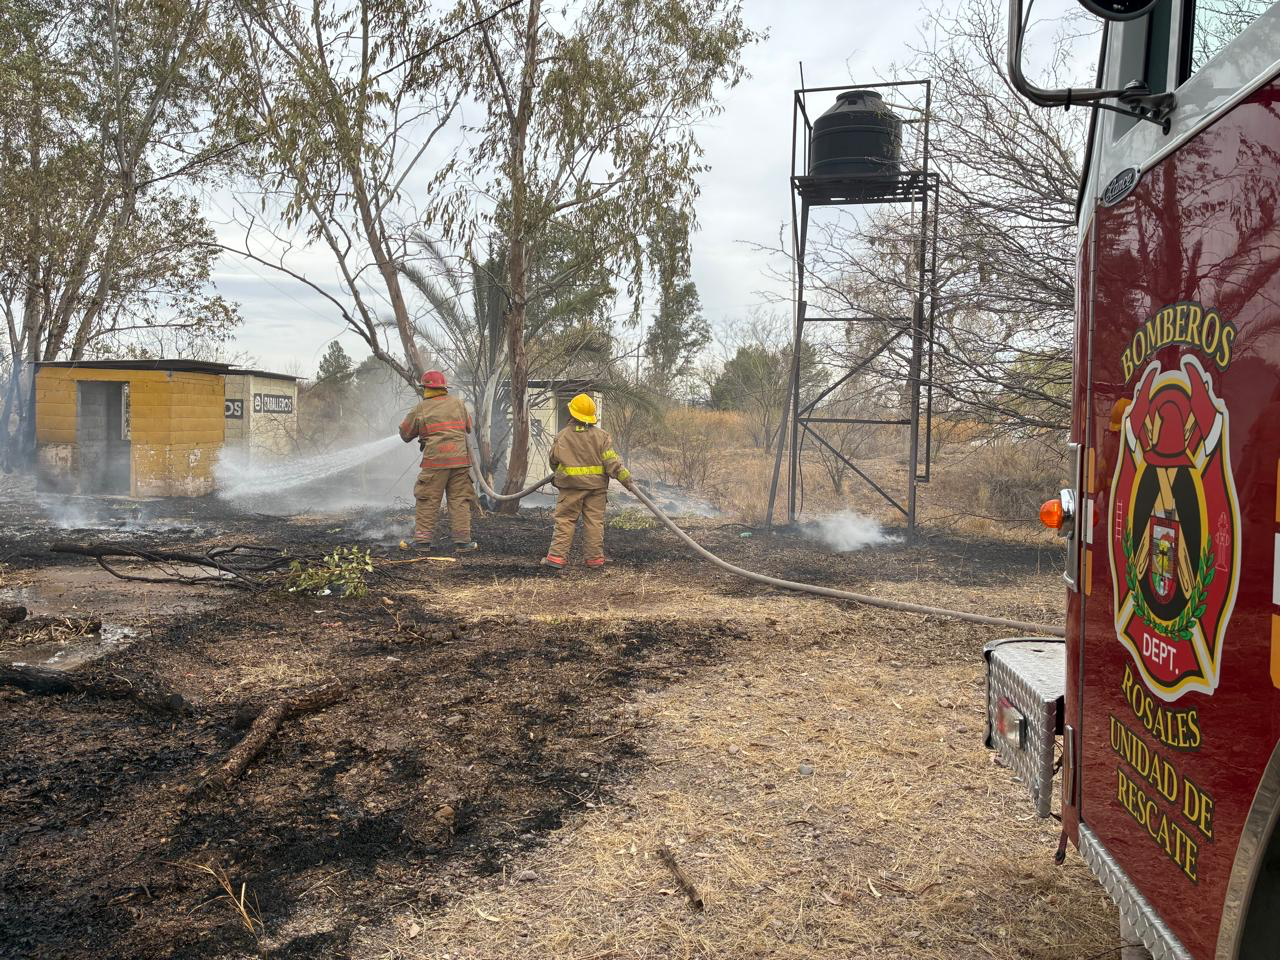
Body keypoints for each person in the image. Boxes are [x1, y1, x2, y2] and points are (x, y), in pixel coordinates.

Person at [542, 393, 633, 570]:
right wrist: (627, 480)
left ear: (572, 413)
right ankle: (594, 560)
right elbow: (611, 462)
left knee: (565, 521)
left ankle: (556, 559)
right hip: (596, 490)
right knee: (594, 523)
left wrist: (560, 474)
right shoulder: (602, 436)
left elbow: (553, 461)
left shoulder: (562, 436)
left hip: (570, 489)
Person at [398, 370, 478, 552]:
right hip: (459, 461)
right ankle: (464, 542)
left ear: (425, 388)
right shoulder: (458, 404)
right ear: (444, 388)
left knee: (427, 499)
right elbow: (468, 426)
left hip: (435, 463)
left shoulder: (421, 408)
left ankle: (422, 542)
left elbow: (405, 434)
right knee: (460, 500)